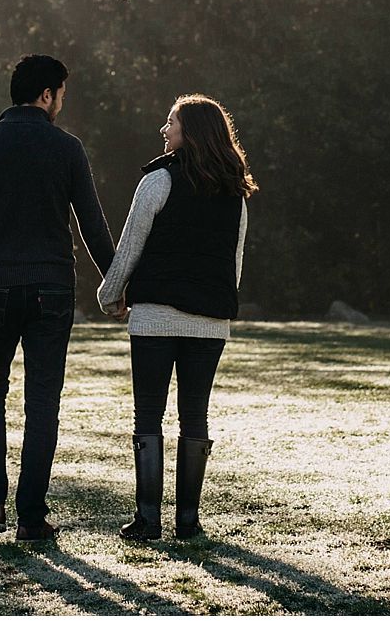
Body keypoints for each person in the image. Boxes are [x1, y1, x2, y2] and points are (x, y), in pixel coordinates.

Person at [0, 54, 117, 543]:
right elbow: (91, 223)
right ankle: (31, 517)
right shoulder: (66, 148)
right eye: (60, 93)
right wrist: (115, 283)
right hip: (51, 289)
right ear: (46, 94)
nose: (62, 102)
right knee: (42, 401)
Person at [96, 93, 255, 541]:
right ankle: (188, 521)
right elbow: (234, 264)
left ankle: (148, 521)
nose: (164, 130)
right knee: (195, 414)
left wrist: (110, 296)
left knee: (148, 412)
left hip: (154, 318)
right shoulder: (235, 193)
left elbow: (130, 247)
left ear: (191, 131)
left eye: (171, 122)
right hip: (211, 320)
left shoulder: (158, 181)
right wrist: (217, 305)